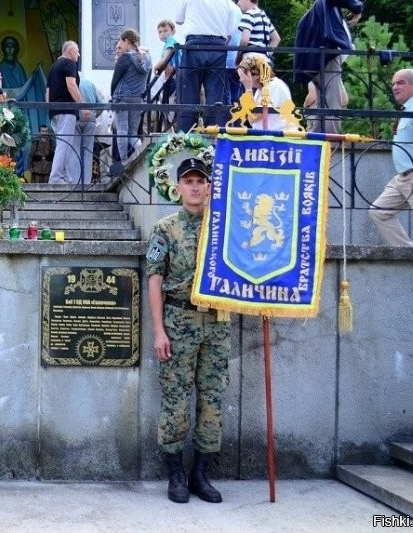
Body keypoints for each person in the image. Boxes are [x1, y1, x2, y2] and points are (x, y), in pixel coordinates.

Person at [146, 157, 230, 505]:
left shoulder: (224, 226)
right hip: (179, 323)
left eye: (201, 181)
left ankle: (200, 473)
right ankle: (176, 473)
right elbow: (154, 279)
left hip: (217, 322)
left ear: (209, 186)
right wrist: (159, 331)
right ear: (177, 187)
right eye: (189, 181)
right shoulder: (166, 228)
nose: (196, 186)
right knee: (176, 400)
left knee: (212, 399)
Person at [369, 69, 413, 247]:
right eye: (393, 83)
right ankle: (410, 255)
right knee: (379, 211)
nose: (394, 87)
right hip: (404, 175)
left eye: (400, 83)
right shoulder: (408, 108)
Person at [294, 0, 364, 135]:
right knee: (332, 103)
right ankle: (331, 144)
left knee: (324, 104)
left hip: (317, 59)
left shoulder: (321, 9)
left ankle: (317, 141)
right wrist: (357, 9)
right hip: (327, 57)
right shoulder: (326, 5)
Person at [174, 0, 236, 133]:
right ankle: (212, 132)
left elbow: (178, 19)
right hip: (218, 47)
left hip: (194, 44)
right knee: (215, 93)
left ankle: (187, 133)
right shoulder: (227, 2)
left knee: (189, 91)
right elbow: (230, 31)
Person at [110, 29, 151, 164]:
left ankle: (123, 162)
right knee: (133, 133)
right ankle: (143, 155)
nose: (120, 45)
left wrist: (113, 95)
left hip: (122, 97)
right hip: (138, 98)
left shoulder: (126, 58)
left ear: (127, 41)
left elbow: (115, 79)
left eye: (121, 42)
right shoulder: (148, 58)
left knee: (122, 130)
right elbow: (148, 80)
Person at [47, 40, 84, 184]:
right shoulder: (69, 63)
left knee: (66, 143)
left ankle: (67, 178)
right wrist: (83, 106)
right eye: (77, 51)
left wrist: (49, 109)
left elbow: (48, 92)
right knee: (65, 144)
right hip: (67, 110)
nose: (79, 55)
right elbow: (71, 85)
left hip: (54, 111)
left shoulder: (53, 67)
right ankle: (56, 178)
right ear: (69, 52)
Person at [236, 53, 295, 131]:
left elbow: (253, 118)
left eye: (243, 76)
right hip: (268, 137)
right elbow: (251, 120)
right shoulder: (260, 89)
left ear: (256, 74)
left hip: (280, 138)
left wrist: (248, 89)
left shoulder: (274, 86)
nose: (241, 80)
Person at [76, 76, 102, 184]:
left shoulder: (74, 83)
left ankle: (75, 181)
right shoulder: (91, 85)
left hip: (77, 116)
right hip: (91, 118)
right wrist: (94, 116)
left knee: (75, 150)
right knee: (88, 152)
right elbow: (101, 105)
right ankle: (86, 182)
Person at [153, 19, 180, 110]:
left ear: (173, 31)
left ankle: (171, 120)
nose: (162, 33)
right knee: (168, 98)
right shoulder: (167, 43)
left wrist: (155, 67)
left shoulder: (170, 40)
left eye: (165, 30)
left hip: (174, 75)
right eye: (160, 32)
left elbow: (166, 57)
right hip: (170, 75)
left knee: (171, 99)